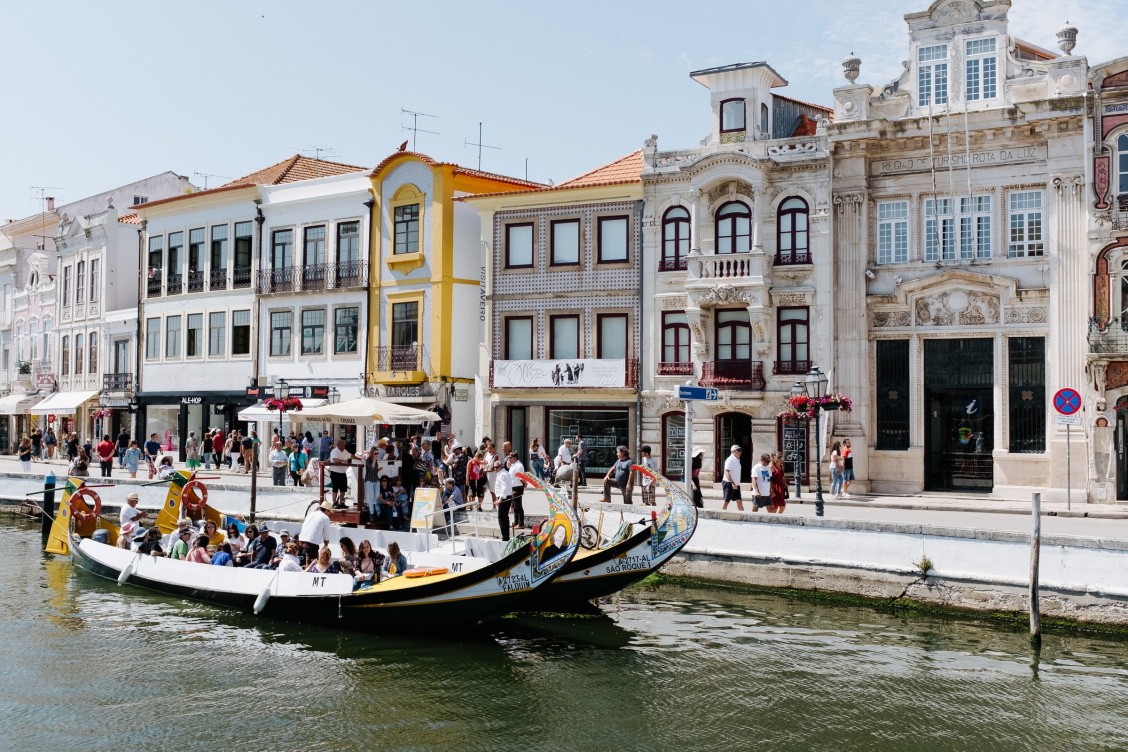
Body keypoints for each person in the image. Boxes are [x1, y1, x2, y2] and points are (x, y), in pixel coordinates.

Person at [328, 439, 361, 507]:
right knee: (335, 488)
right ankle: (334, 503)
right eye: (342, 445)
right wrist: (342, 461)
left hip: (342, 472)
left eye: (344, 445)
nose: (344, 446)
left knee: (343, 488)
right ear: (339, 445)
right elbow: (334, 460)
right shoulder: (334, 451)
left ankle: (341, 502)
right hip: (335, 472)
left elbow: (351, 456)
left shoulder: (345, 451)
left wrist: (360, 459)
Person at [722, 444, 745, 512]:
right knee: (727, 501)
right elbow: (727, 472)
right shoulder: (730, 460)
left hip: (736, 483)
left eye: (740, 450)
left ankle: (743, 516)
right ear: (733, 451)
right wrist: (732, 483)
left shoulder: (737, 459)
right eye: (739, 450)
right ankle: (722, 513)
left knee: (739, 501)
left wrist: (736, 483)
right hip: (729, 483)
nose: (740, 452)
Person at [507, 448, 526, 529]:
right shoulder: (514, 465)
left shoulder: (519, 466)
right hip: (513, 487)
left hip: (517, 487)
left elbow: (520, 477)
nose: (509, 459)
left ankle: (521, 523)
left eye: (510, 458)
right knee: (514, 506)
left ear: (514, 458)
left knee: (518, 506)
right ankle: (516, 522)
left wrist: (524, 484)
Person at [362, 447, 382, 520]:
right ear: (372, 453)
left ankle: (371, 506)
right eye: (376, 453)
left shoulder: (376, 461)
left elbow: (374, 470)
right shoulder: (368, 460)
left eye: (377, 453)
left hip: (375, 479)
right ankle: (371, 513)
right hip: (369, 480)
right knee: (371, 497)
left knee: (376, 495)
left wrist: (378, 469)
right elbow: (370, 469)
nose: (377, 454)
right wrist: (374, 460)